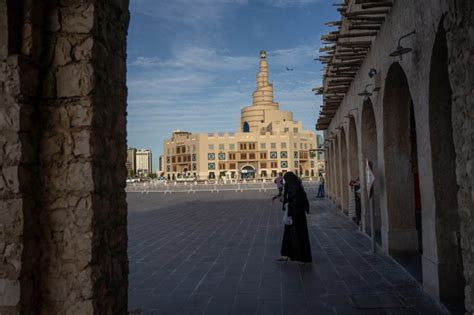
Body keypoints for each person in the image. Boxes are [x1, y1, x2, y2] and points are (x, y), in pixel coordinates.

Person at [277, 172, 312, 264]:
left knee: (299, 236)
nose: (285, 182)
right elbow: (290, 198)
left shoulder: (297, 188)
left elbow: (298, 202)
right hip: (291, 214)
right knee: (287, 235)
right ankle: (285, 255)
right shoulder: (291, 186)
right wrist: (285, 201)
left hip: (297, 216)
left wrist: (288, 203)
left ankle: (302, 258)